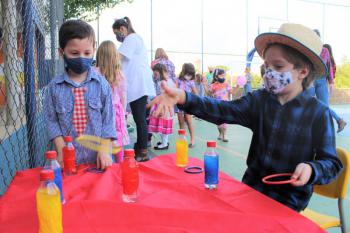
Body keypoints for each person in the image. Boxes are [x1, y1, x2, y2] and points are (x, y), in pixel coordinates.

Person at [148, 23, 343, 212]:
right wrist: (184, 97)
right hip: (250, 191)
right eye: (267, 66)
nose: (269, 73)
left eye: (278, 66)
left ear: (303, 71)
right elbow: (222, 110)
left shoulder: (318, 113)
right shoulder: (259, 101)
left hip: (288, 203)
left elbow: (332, 164)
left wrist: (312, 168)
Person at [44, 20, 116, 170]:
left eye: (87, 53)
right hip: (67, 161)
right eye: (74, 53)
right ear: (61, 52)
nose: (81, 57)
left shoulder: (102, 85)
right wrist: (62, 149)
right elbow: (51, 121)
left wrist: (104, 150)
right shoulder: (54, 87)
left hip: (98, 160)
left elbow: (108, 120)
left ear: (94, 50)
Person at [112, 17, 156, 162]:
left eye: (116, 33)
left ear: (123, 29)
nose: (116, 37)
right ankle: (140, 147)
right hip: (138, 84)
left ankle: (142, 151)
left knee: (139, 118)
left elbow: (116, 57)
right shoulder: (134, 39)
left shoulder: (131, 38)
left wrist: (103, 58)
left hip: (138, 85)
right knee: (140, 118)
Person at [96, 40, 130, 162]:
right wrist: (124, 112)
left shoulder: (95, 72)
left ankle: (105, 163)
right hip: (116, 110)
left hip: (99, 111)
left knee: (102, 139)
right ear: (115, 56)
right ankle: (120, 163)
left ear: (99, 55)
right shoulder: (119, 74)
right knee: (117, 139)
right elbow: (123, 97)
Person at [310, 30, 346, 132]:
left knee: (324, 107)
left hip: (321, 81)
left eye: (316, 38)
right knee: (309, 104)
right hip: (310, 81)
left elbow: (329, 67)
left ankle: (339, 121)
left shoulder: (325, 50)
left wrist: (331, 82)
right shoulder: (308, 49)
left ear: (319, 38)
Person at [149, 63, 175, 150]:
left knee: (162, 124)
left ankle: (164, 143)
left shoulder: (163, 82)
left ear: (160, 72)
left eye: (156, 74)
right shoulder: (167, 80)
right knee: (162, 125)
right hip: (163, 105)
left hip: (162, 106)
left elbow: (166, 93)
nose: (155, 76)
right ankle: (164, 142)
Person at [176, 63, 198, 147]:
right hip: (179, 104)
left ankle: (192, 140)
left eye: (190, 74)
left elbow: (195, 92)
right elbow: (175, 89)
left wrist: (195, 101)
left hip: (188, 104)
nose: (188, 76)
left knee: (189, 121)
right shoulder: (178, 80)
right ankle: (182, 138)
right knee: (181, 122)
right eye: (187, 74)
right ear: (183, 72)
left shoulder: (191, 82)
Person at [209, 68, 232, 142]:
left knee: (224, 121)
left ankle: (224, 135)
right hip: (216, 106)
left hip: (225, 105)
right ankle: (220, 133)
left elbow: (232, 92)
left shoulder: (226, 84)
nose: (223, 77)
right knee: (219, 123)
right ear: (216, 77)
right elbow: (209, 93)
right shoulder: (213, 85)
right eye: (221, 75)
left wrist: (238, 85)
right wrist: (205, 85)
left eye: (224, 75)